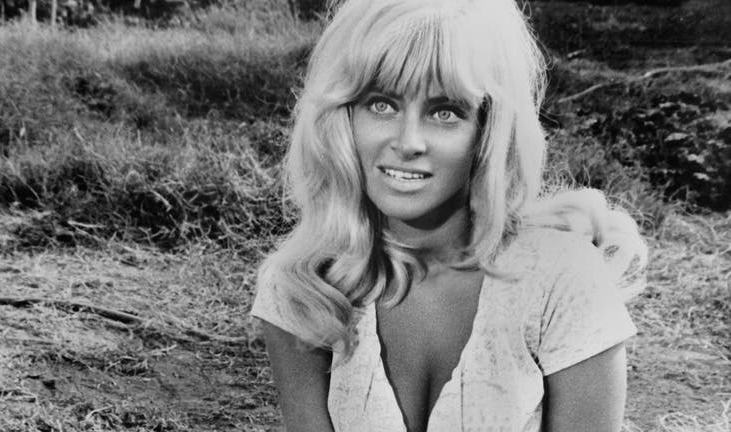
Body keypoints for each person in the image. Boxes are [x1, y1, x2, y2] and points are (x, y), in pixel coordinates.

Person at [250, 0, 648, 430]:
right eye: (381, 104)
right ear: (342, 117)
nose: (408, 142)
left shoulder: (563, 279)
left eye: (445, 113)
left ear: (488, 131)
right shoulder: (304, 287)